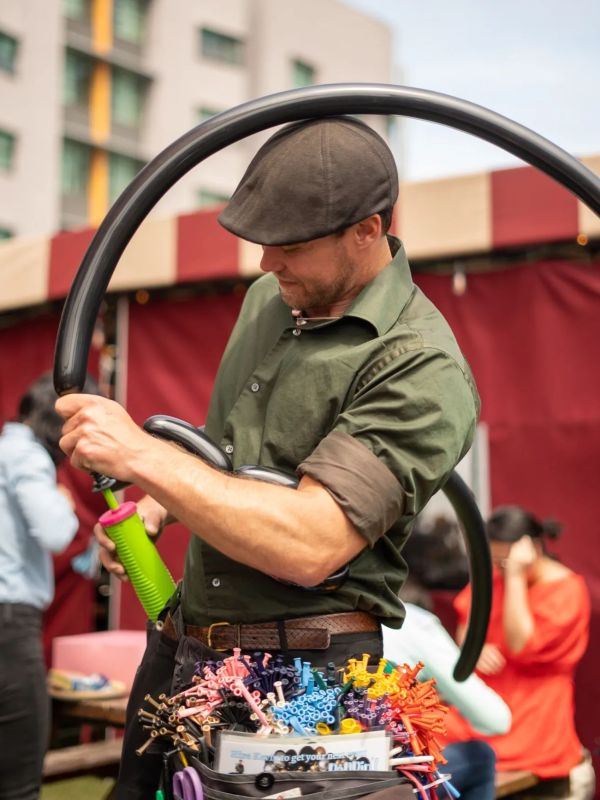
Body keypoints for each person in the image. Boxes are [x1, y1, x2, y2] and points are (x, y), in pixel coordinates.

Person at [55, 116, 480, 798]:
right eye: (262, 243)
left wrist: (145, 457)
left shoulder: (421, 365)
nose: (265, 263)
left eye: (292, 246)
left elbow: (313, 542)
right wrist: (160, 504)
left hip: (305, 686)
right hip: (184, 658)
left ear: (367, 230)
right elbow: (229, 451)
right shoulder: (269, 299)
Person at [452, 506, 595, 800]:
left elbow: (521, 646)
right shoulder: (496, 575)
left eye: (504, 562)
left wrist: (515, 576)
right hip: (484, 705)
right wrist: (474, 646)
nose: (498, 569)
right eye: (494, 561)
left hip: (534, 716)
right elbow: (466, 621)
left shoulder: (566, 591)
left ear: (533, 549)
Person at [0, 373, 79, 800]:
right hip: (9, 625)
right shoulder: (25, 455)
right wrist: (65, 504)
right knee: (20, 780)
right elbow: (55, 531)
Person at [383, 574, 511, 799]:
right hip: (389, 782)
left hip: (325, 774)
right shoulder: (413, 621)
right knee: (480, 756)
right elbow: (496, 720)